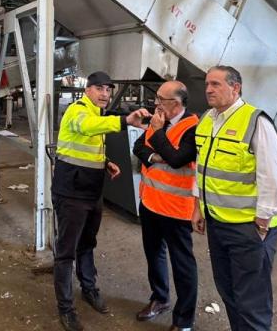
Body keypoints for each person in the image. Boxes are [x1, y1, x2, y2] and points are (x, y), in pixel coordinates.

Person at [192, 66, 277, 331]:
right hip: (217, 222)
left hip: (248, 228)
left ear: (236, 87)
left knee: (251, 299)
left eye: (216, 84)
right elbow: (201, 167)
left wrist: (263, 221)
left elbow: (272, 175)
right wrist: (198, 206)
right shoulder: (207, 119)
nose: (209, 89)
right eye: (207, 84)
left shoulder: (256, 121)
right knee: (228, 290)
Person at [53, 71, 149, 331]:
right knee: (66, 251)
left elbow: (83, 144)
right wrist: (125, 121)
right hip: (71, 191)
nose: (105, 94)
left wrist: (105, 162)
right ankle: (66, 308)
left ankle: (88, 288)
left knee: (88, 243)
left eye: (108, 89)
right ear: (88, 90)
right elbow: (86, 127)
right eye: (100, 89)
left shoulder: (97, 113)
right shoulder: (77, 110)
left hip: (92, 190)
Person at [132, 80, 200, 331]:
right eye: (157, 98)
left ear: (177, 103)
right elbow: (138, 146)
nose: (156, 103)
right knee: (154, 254)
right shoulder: (158, 120)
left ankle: (183, 321)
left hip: (176, 209)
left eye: (161, 99)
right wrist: (156, 156)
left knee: (183, 264)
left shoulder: (194, 127)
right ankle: (160, 298)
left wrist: (159, 135)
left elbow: (178, 159)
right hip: (150, 203)